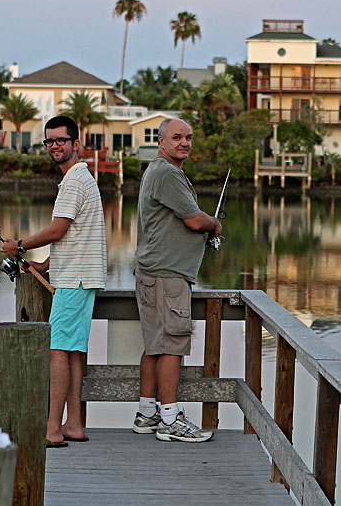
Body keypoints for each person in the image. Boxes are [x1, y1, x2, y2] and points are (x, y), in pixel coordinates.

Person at [1, 115, 106, 448]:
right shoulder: (83, 178)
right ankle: (73, 424)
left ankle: (51, 428)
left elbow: (57, 230)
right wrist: (45, 264)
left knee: (57, 350)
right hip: (80, 275)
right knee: (74, 352)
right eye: (49, 141)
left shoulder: (74, 181)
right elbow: (75, 237)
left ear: (76, 143)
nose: (55, 146)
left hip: (75, 281)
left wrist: (18, 246)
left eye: (61, 140)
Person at [132, 118, 221, 442]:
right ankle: (169, 419)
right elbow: (195, 220)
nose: (184, 142)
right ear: (161, 142)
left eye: (189, 137)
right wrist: (215, 224)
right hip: (168, 276)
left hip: (152, 273)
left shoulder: (158, 170)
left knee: (156, 345)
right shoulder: (168, 173)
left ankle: (147, 414)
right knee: (171, 345)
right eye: (177, 137)